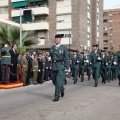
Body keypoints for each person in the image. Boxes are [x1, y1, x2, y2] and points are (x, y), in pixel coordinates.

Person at [50, 34, 69, 102]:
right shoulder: (52, 48)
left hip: (60, 66)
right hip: (54, 66)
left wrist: (67, 66)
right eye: (55, 39)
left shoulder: (63, 47)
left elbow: (66, 57)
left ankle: (57, 96)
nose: (56, 40)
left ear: (60, 40)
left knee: (58, 81)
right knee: (53, 80)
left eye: (57, 39)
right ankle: (61, 88)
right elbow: (51, 57)